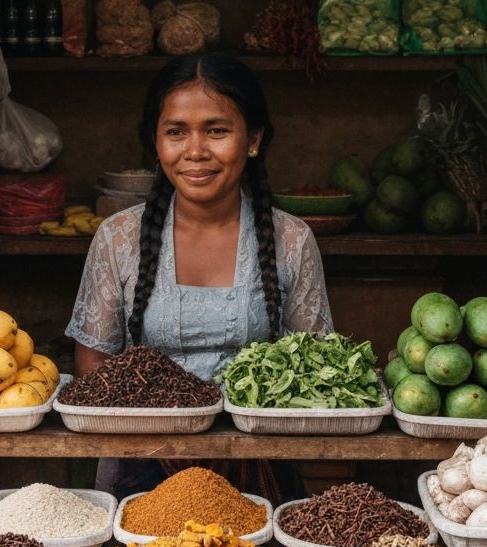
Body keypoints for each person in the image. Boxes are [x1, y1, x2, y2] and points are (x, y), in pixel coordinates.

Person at [65, 52, 334, 496]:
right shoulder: (120, 238)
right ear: (156, 142)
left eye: (217, 130)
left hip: (258, 469)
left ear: (253, 139)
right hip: (141, 470)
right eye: (176, 132)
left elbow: (318, 369)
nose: (195, 151)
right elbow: (94, 366)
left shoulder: (291, 240)